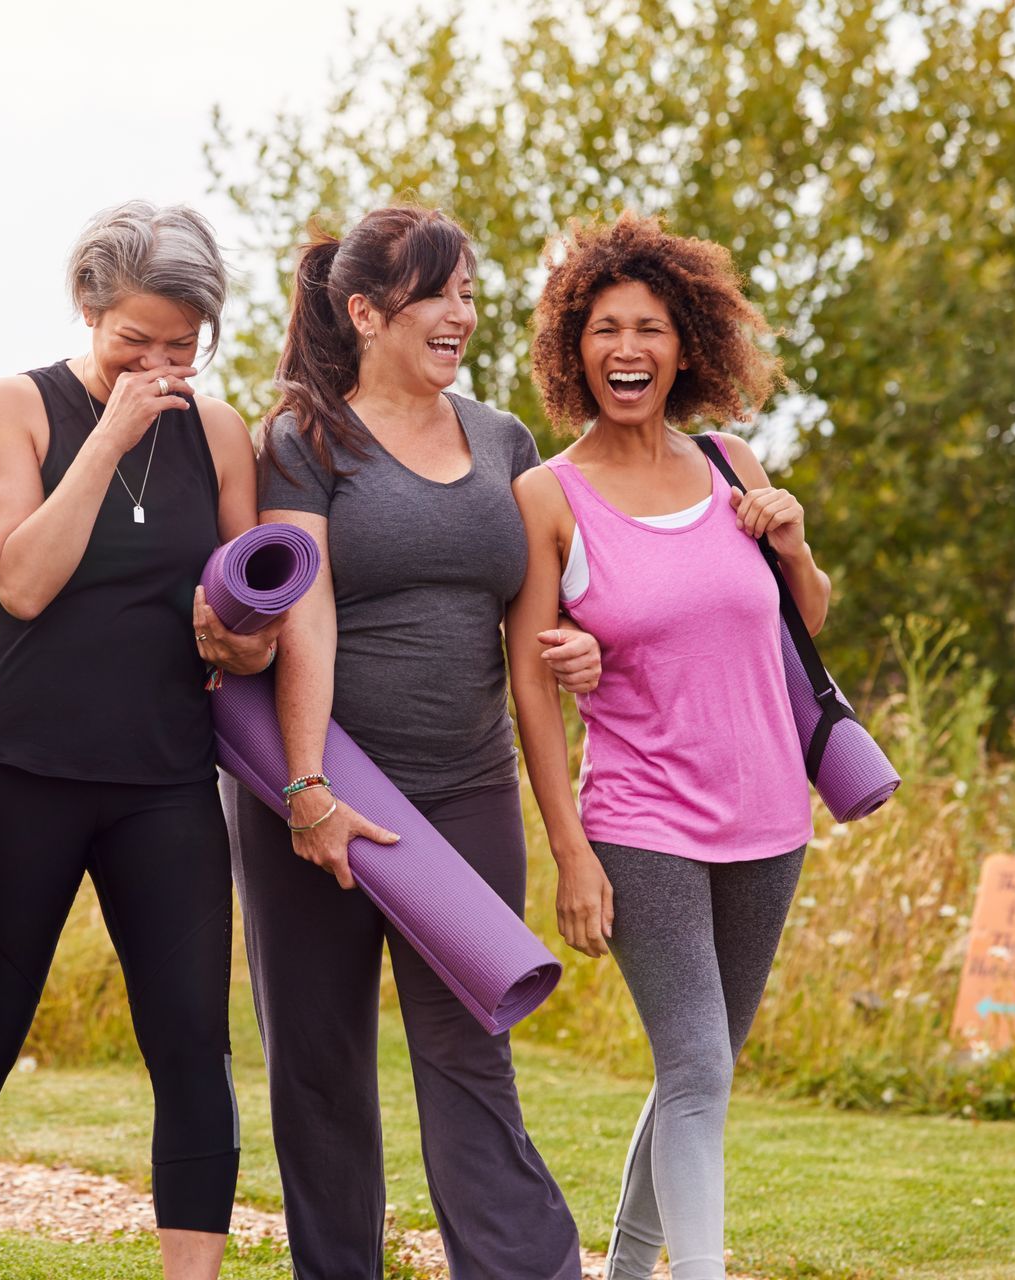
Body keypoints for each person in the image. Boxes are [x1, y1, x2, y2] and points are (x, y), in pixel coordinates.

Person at [0, 200, 277, 1280]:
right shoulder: (13, 409)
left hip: (163, 782)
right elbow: (19, 578)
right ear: (89, 308)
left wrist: (241, 640)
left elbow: (248, 606)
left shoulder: (219, 432)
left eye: (181, 347)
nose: (160, 366)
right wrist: (109, 433)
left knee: (194, 1055)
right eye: (134, 343)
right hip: (16, 770)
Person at [232, 204, 594, 1280]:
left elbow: (537, 635)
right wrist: (304, 787)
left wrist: (584, 652)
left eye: (471, 294)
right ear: (364, 310)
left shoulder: (504, 442)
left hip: (466, 788)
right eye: (439, 293)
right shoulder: (303, 437)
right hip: (328, 786)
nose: (461, 315)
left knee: (469, 1050)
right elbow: (306, 610)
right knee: (320, 1064)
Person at [507, 211, 829, 1280]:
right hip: (641, 817)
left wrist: (788, 539)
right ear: (573, 348)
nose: (627, 348)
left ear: (685, 344)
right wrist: (570, 850)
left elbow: (807, 621)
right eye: (604, 328)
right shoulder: (547, 498)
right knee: (693, 1060)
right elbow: (530, 687)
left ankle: (628, 1261)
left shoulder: (731, 463)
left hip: (771, 815)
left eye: (648, 327)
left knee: (705, 1066)